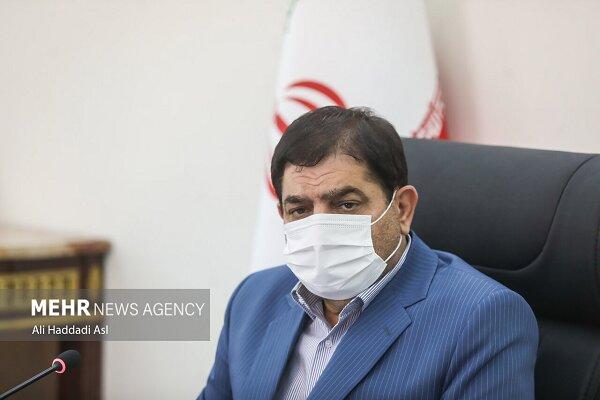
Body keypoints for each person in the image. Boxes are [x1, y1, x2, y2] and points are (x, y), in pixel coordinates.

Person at [198, 106, 538, 400]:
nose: (320, 228)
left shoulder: (482, 316)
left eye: (346, 204)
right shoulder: (253, 298)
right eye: (300, 210)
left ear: (402, 209)